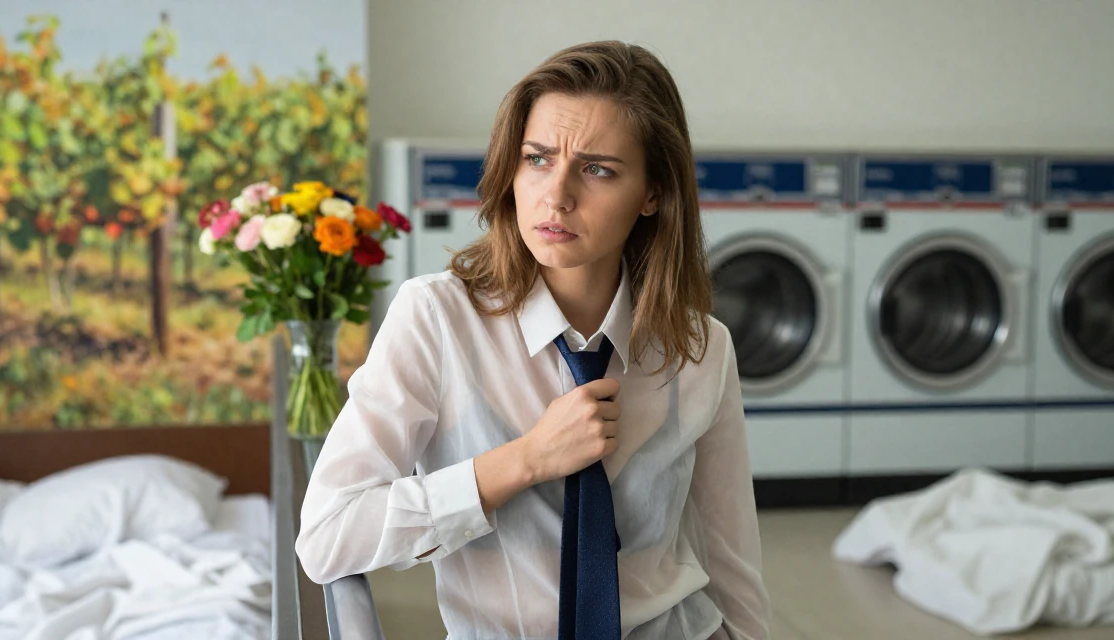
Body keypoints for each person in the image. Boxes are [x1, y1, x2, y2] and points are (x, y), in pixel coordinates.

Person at [296, 40, 772, 640]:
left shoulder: (702, 347)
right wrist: (522, 461)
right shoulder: (437, 319)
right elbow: (327, 536)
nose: (558, 195)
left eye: (598, 169)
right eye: (538, 158)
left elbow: (734, 566)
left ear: (654, 193)